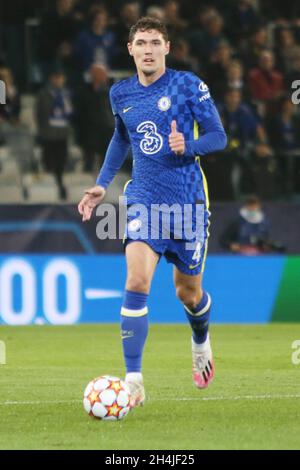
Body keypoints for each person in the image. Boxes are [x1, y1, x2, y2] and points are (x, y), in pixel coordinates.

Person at [78, 17, 227, 408]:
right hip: (144, 197)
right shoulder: (121, 93)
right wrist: (101, 182)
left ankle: (200, 341)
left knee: (187, 292)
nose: (147, 49)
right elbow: (120, 137)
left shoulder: (188, 85)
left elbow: (219, 136)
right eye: (141, 42)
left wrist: (189, 147)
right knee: (137, 280)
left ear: (167, 47)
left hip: (189, 200)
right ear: (130, 49)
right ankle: (134, 380)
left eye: (154, 42)